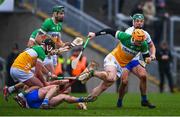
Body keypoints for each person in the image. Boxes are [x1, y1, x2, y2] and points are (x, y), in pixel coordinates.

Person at [82, 29, 153, 104]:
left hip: (121, 66)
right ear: (133, 37)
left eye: (141, 41)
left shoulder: (143, 44)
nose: (140, 43)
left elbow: (146, 56)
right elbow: (109, 31)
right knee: (111, 77)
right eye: (138, 41)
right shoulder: (125, 37)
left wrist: (148, 59)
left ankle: (84, 101)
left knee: (105, 85)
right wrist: (95, 34)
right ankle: (92, 72)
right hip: (113, 59)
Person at [117, 13, 156, 108]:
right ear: (133, 22)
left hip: (135, 61)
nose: (139, 23)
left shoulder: (145, 34)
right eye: (137, 21)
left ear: (143, 22)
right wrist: (146, 55)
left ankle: (144, 100)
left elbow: (151, 45)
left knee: (143, 76)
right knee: (124, 82)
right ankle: (120, 100)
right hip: (125, 60)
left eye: (141, 21)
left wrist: (152, 54)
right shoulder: (129, 31)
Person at [14, 84, 89, 109]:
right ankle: (45, 102)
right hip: (33, 97)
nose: (67, 92)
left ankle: (82, 100)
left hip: (34, 104)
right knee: (49, 87)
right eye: (66, 91)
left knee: (63, 97)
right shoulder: (54, 86)